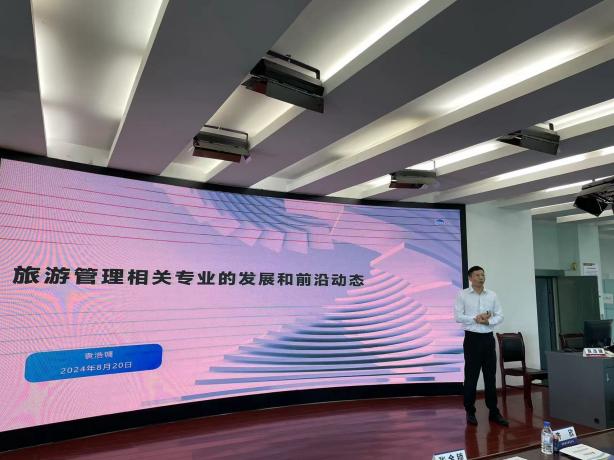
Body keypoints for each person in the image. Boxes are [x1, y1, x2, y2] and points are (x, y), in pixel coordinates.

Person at [454, 266, 509, 427]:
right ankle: (470, 411)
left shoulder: (492, 295)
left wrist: (488, 321)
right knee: (471, 376)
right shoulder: (462, 295)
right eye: (477, 275)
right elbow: (458, 316)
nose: (481, 277)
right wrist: (475, 318)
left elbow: (500, 315)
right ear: (470, 278)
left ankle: (493, 411)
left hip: (488, 338)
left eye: (483, 275)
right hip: (472, 339)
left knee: (490, 376)